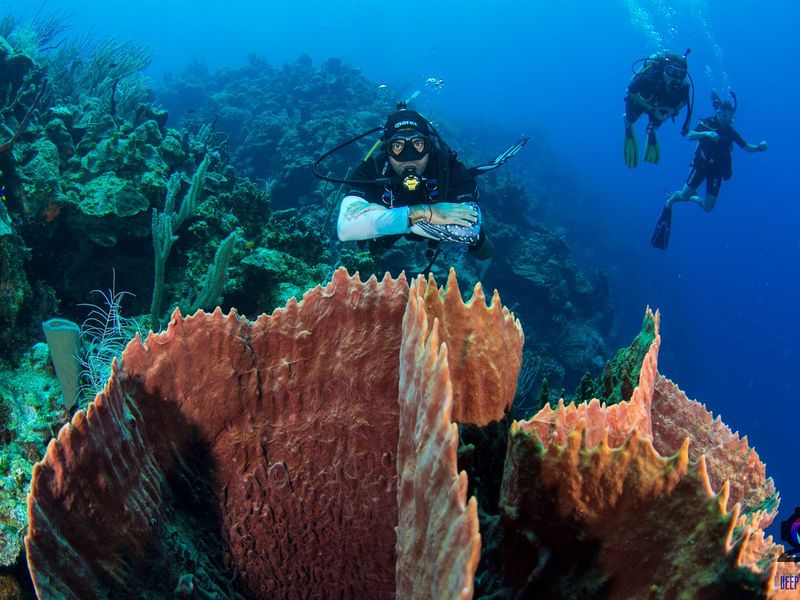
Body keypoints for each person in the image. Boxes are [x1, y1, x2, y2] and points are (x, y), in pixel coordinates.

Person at [336, 106, 493, 271]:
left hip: (404, 227)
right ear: (386, 149)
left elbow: (468, 231)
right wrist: (424, 213)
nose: (409, 156)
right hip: (419, 229)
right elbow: (345, 229)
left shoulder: (450, 168)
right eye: (397, 146)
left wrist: (381, 216)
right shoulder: (370, 170)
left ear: (429, 146)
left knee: (482, 245)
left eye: (418, 144)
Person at [650, 90, 768, 249]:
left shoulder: (731, 133)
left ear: (732, 116)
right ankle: (670, 202)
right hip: (701, 165)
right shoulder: (708, 122)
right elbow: (690, 135)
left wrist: (759, 148)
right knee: (683, 196)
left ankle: (693, 197)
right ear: (717, 112)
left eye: (728, 114)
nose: (724, 116)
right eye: (722, 112)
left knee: (708, 207)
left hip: (717, 171)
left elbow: (746, 147)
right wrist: (707, 133)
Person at [624, 50, 693, 168]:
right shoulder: (651, 76)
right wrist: (653, 110)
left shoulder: (682, 87)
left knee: (656, 123)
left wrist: (667, 114)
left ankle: (651, 129)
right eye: (671, 71)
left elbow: (684, 102)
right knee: (631, 118)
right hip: (640, 99)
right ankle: (627, 123)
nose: (674, 77)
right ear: (665, 69)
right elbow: (630, 91)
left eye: (679, 73)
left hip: (660, 105)